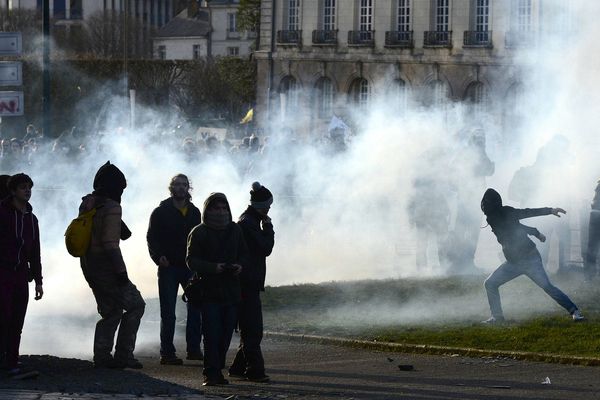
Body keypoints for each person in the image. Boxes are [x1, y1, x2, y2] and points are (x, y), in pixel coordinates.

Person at [480, 188, 584, 324]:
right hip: (513, 262)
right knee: (490, 283)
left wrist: (550, 210)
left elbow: (528, 212)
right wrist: (536, 232)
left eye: (486, 202)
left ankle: (574, 311)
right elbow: (517, 227)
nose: (484, 205)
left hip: (530, 259)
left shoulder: (507, 212)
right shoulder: (492, 218)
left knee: (547, 286)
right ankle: (497, 317)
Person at [79, 161, 146, 369]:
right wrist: (121, 272)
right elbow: (110, 244)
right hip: (107, 267)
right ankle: (124, 355)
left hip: (90, 264)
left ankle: (102, 356)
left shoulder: (88, 203)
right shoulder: (112, 207)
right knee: (136, 305)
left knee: (111, 311)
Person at [186, 192, 247, 386]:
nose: (220, 212)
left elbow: (244, 254)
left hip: (231, 290)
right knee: (211, 334)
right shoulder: (199, 232)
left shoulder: (235, 230)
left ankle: (217, 367)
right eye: (216, 208)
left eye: (224, 208)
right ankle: (211, 373)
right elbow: (191, 260)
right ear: (208, 210)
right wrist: (214, 267)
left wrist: (239, 266)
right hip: (209, 291)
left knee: (226, 334)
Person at [147, 174, 203, 365]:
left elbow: (200, 238)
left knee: (195, 308)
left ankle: (194, 349)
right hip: (168, 267)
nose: (180, 188)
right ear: (171, 188)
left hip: (190, 267)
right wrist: (158, 257)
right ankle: (167, 352)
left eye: (184, 185)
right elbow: (151, 238)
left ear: (188, 188)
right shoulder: (160, 212)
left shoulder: (195, 212)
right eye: (177, 185)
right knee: (168, 312)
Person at [228, 182, 274, 383]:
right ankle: (255, 370)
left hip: (248, 281)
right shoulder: (249, 223)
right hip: (247, 282)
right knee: (253, 329)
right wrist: (269, 227)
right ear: (262, 206)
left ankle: (238, 367)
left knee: (250, 328)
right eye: (268, 206)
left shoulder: (248, 220)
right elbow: (265, 247)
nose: (269, 209)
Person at [0, 173, 44, 378]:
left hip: (20, 276)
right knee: (4, 318)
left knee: (17, 320)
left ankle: (11, 362)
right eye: (22, 187)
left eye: (29, 187)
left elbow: (35, 252)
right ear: (13, 191)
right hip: (3, 273)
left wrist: (38, 280)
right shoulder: (2, 213)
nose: (27, 191)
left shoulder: (32, 219)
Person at [584, 179, 600, 281]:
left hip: (595, 215)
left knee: (591, 247)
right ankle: (589, 275)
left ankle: (590, 275)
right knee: (591, 247)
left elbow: (594, 201)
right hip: (595, 215)